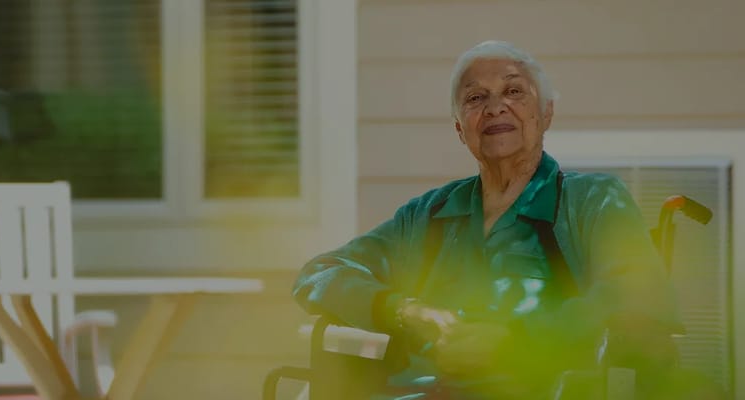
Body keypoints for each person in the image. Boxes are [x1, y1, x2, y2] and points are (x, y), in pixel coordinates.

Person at [292, 40, 683, 399]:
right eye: (475, 97)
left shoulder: (592, 199)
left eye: (514, 91)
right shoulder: (427, 215)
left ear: (546, 112)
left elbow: (635, 295)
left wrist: (513, 340)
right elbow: (320, 273)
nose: (495, 107)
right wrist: (407, 312)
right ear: (460, 128)